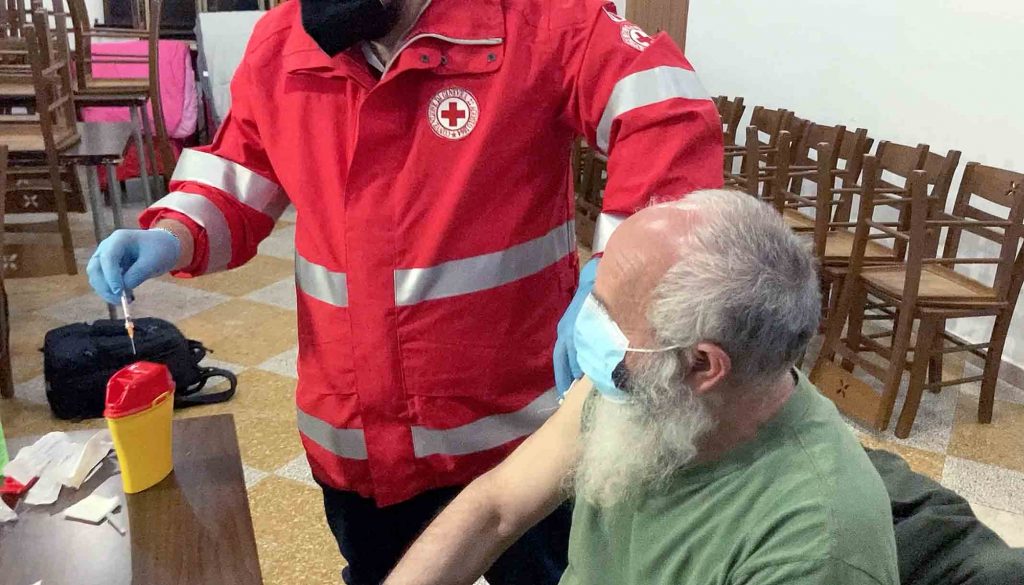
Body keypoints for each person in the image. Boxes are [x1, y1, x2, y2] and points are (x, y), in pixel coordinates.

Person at [85, 0, 723, 583]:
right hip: (358, 439)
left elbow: (666, 110)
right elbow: (238, 173)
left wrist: (622, 272)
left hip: (517, 437)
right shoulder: (285, 44)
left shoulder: (533, 21)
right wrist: (173, 232)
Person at [385, 190, 901, 585]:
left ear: (702, 365)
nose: (584, 327)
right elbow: (495, 510)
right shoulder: (646, 385)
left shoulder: (812, 549)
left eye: (608, 319)